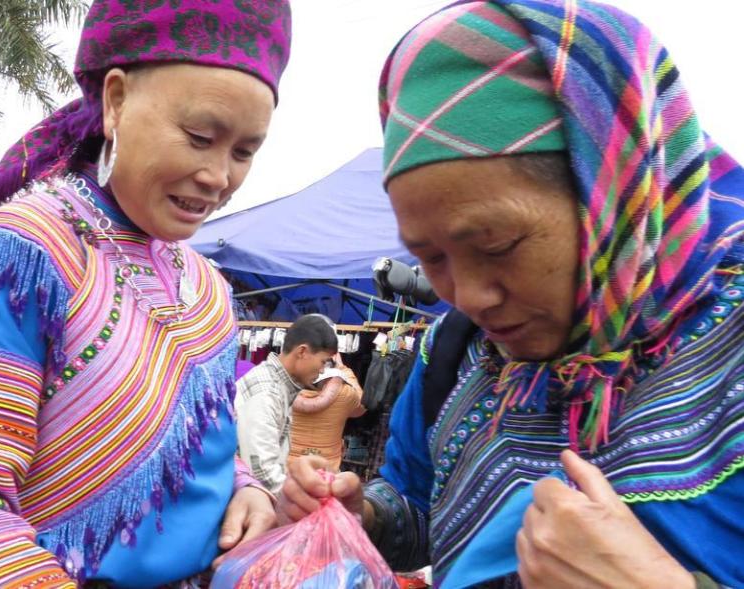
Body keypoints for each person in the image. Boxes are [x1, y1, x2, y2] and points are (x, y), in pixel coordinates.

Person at [279, 1, 744, 587]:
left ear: (612, 196)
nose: (468, 296)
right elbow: (419, 504)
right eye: (431, 258)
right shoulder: (458, 352)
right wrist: (363, 515)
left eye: (498, 246)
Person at [0, 2, 292, 587]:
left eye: (244, 152)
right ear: (115, 101)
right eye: (199, 138)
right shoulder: (26, 254)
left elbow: (205, 449)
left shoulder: (209, 289)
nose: (219, 176)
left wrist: (247, 492)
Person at [234, 314, 337, 494]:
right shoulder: (267, 392)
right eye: (323, 362)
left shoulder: (279, 387)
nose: (322, 370)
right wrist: (314, 500)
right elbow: (262, 475)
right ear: (302, 352)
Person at [288, 353, 366, 471]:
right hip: (326, 473)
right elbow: (361, 406)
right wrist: (343, 369)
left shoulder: (278, 391)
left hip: (286, 471)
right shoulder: (345, 395)